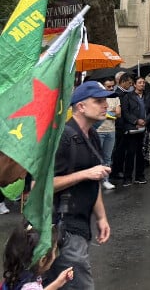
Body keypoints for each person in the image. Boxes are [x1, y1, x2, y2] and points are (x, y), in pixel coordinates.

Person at [46, 81, 114, 290]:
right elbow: (42, 186)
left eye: (105, 100)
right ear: (80, 106)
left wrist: (101, 217)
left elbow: (94, 180)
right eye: (99, 101)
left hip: (80, 225)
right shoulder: (63, 138)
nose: (106, 106)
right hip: (62, 226)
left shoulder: (92, 135)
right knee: (80, 285)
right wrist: (85, 174)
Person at [4, 222, 74, 290]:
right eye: (55, 250)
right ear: (43, 260)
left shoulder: (17, 272)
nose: (56, 255)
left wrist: (58, 283)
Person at [117, 76, 148, 186]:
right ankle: (128, 177)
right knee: (130, 153)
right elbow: (125, 112)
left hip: (144, 128)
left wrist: (146, 120)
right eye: (140, 82)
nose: (142, 84)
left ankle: (140, 176)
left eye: (144, 82)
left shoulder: (147, 96)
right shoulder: (128, 97)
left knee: (141, 153)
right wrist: (136, 121)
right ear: (134, 85)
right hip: (132, 129)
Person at [94, 79, 118, 191]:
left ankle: (105, 180)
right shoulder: (98, 98)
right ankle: (95, 180)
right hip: (99, 130)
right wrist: (109, 112)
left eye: (112, 86)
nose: (111, 88)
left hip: (111, 130)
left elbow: (118, 113)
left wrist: (108, 113)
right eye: (108, 86)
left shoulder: (115, 97)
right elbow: (97, 112)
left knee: (107, 157)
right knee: (97, 157)